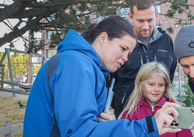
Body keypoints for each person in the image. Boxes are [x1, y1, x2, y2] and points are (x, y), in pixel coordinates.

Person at [23, 16, 181, 137]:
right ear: (103, 38)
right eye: (123, 48)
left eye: (129, 53)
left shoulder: (89, 67)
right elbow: (80, 133)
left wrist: (106, 124)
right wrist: (149, 125)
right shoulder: (75, 63)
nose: (126, 58)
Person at [109, 0, 177, 117]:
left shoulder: (166, 40)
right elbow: (111, 80)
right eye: (140, 21)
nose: (145, 27)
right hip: (127, 114)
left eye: (150, 20)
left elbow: (169, 76)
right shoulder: (121, 42)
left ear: (156, 15)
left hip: (160, 114)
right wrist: (120, 105)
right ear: (131, 17)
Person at [119, 62, 193, 137]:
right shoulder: (130, 113)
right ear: (140, 85)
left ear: (165, 86)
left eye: (161, 85)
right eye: (151, 84)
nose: (156, 89)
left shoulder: (176, 112)